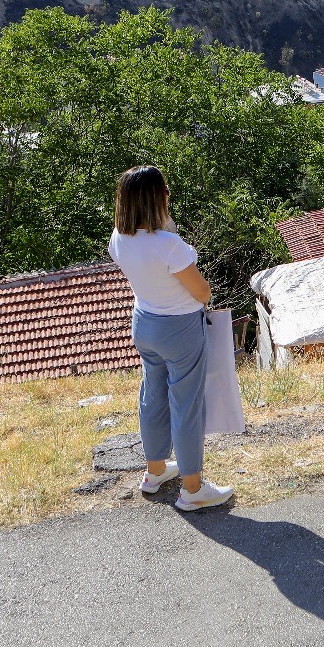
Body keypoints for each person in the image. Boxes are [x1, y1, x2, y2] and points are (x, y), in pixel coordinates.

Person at [107, 166, 233, 512]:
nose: (169, 195)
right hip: (179, 329)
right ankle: (193, 489)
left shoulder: (119, 238)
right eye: (165, 191)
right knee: (186, 405)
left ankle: (156, 471)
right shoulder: (169, 245)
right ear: (157, 198)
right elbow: (202, 292)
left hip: (144, 323)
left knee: (152, 396)